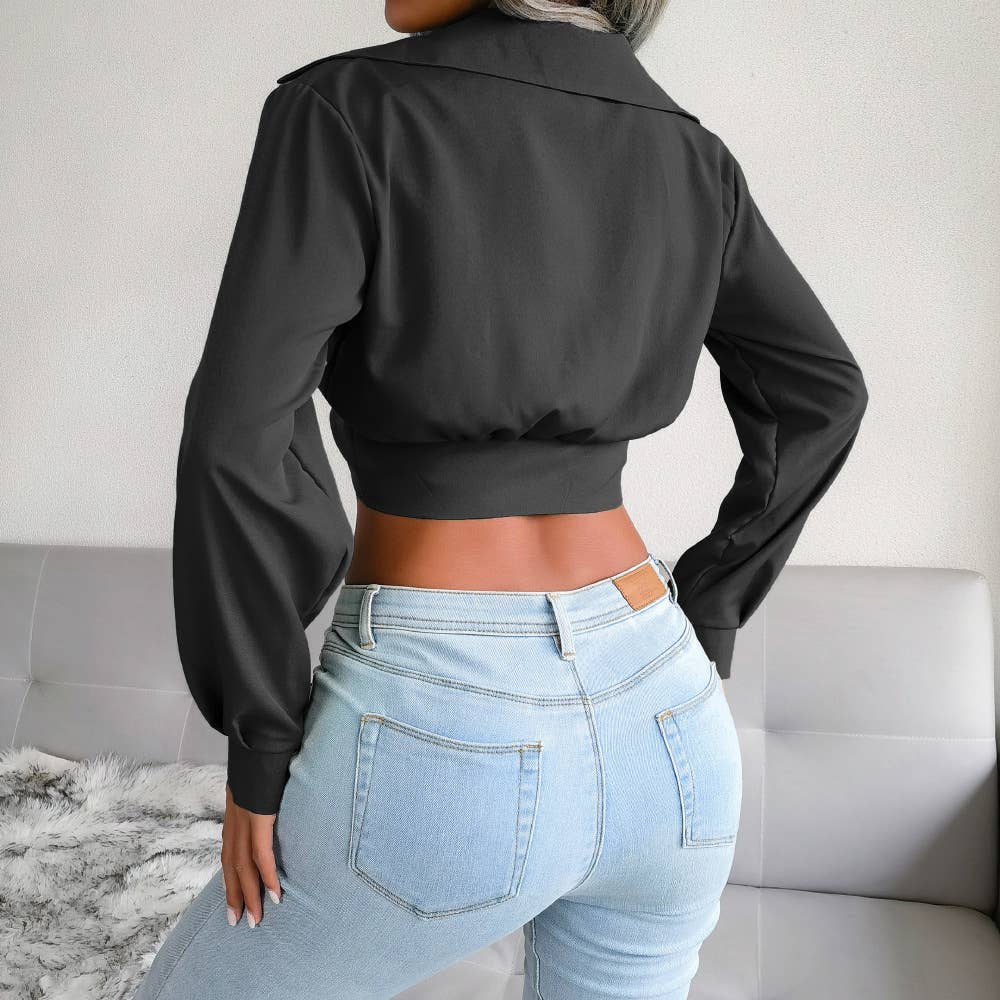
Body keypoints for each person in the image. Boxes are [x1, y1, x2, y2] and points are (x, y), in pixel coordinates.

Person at [136, 2, 868, 998]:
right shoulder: (689, 152)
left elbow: (237, 431)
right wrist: (709, 608)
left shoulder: (348, 107)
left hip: (445, 710)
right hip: (669, 716)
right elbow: (823, 393)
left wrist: (262, 731)